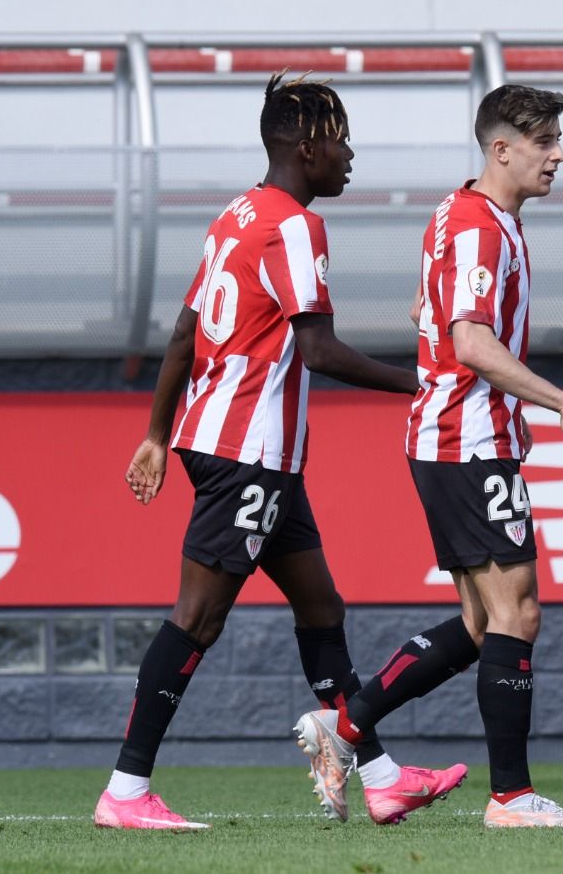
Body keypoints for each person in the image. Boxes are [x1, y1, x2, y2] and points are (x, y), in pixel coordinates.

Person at [95, 73, 460, 831]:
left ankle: (384, 776)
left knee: (321, 606)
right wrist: (422, 383)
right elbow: (318, 349)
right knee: (196, 617)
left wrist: (158, 434)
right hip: (248, 452)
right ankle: (126, 790)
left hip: (235, 446)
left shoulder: (235, 215)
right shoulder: (294, 225)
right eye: (342, 138)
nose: (351, 153)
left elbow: (181, 334)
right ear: (308, 144)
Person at [293, 84, 563, 830]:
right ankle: (511, 796)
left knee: (479, 621)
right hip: (469, 438)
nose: (558, 154)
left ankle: (349, 722)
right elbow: (468, 340)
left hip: (450, 434)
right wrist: (559, 399)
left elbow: (422, 311)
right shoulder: (480, 227)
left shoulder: (461, 214)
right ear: (502, 149)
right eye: (545, 141)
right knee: (517, 611)